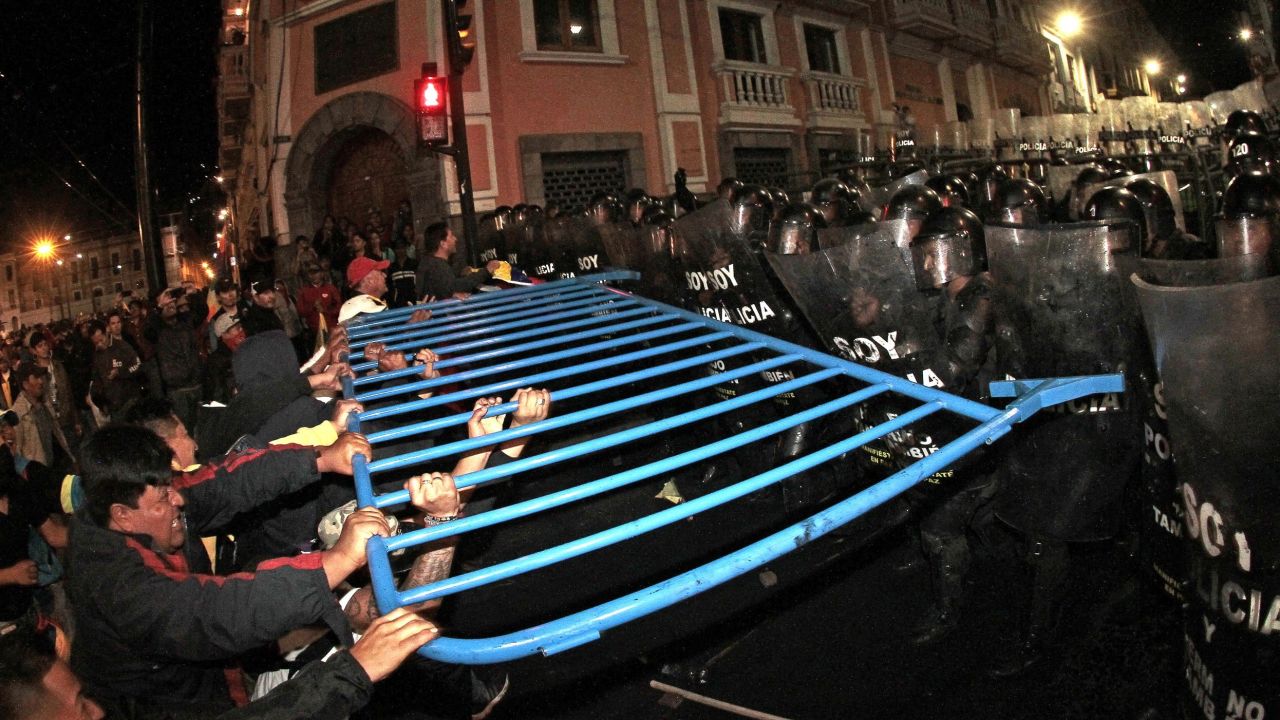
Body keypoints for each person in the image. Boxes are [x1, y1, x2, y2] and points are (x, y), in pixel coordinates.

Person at [67, 424, 384, 716]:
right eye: (164, 497)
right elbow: (212, 612)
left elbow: (225, 480)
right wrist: (337, 560)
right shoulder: (115, 585)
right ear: (122, 515)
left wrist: (320, 459)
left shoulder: (140, 496)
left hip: (210, 676)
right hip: (168, 706)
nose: (179, 498)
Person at [147, 287, 204, 434]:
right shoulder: (157, 330)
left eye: (172, 301)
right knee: (184, 431)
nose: (171, 304)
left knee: (202, 429)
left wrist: (191, 294)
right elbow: (148, 329)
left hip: (197, 385)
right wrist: (158, 307)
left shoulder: (185, 322)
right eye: (165, 303)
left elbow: (202, 311)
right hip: (177, 392)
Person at [416, 222, 502, 300]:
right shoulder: (437, 266)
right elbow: (456, 286)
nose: (455, 239)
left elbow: (445, 288)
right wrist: (486, 271)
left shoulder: (430, 263)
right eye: (451, 236)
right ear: (443, 244)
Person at [11, 365, 73, 472]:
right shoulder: (18, 413)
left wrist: (71, 457)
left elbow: (57, 433)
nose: (41, 381)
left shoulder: (45, 402)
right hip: (39, 474)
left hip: (58, 466)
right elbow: (17, 451)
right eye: (36, 377)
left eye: (40, 377)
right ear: (25, 384)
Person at [26, 332, 79, 455]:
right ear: (34, 351)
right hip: (51, 424)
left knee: (76, 453)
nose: (44, 348)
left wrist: (76, 420)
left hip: (66, 418)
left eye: (45, 344)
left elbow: (69, 393)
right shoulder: (34, 373)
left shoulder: (58, 365)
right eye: (40, 346)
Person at [87, 320, 143, 420]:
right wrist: (100, 403)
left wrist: (120, 372)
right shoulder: (96, 355)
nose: (99, 344)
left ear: (106, 333)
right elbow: (96, 380)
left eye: (101, 340)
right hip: (113, 407)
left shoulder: (122, 346)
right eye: (96, 343)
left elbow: (137, 364)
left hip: (130, 401)